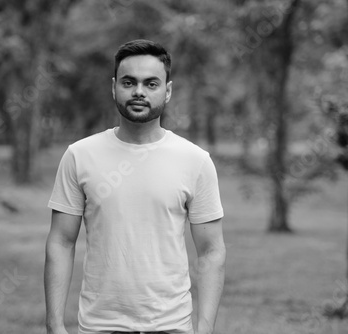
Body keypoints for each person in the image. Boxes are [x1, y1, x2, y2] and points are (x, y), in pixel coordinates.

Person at [45, 39, 226, 334]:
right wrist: (54, 325)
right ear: (114, 86)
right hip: (99, 326)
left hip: (171, 327)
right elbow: (61, 242)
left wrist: (203, 329)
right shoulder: (80, 155)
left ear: (167, 91)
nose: (139, 91)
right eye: (129, 82)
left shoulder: (195, 161)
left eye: (151, 84)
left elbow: (211, 251)